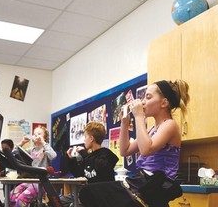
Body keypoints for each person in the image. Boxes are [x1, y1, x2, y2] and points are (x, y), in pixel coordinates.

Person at [79, 79, 190, 207]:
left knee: (89, 193)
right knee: (88, 193)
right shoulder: (152, 129)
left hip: (155, 186)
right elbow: (124, 151)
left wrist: (138, 117)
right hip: (142, 183)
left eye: (148, 97)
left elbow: (146, 149)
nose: (143, 102)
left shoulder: (170, 125)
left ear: (164, 103)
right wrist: (124, 123)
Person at [60, 121, 119, 207]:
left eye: (85, 137)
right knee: (57, 201)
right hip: (87, 194)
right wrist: (71, 159)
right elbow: (78, 174)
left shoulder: (106, 154)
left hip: (101, 196)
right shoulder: (89, 156)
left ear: (91, 139)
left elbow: (101, 165)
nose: (84, 140)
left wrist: (84, 153)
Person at [10, 126, 57, 207]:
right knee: (11, 196)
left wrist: (43, 142)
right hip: (29, 181)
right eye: (35, 134)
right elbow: (13, 152)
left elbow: (53, 156)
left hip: (41, 183)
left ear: (45, 137)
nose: (36, 135)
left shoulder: (45, 150)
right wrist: (22, 142)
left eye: (39, 134)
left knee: (22, 200)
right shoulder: (30, 150)